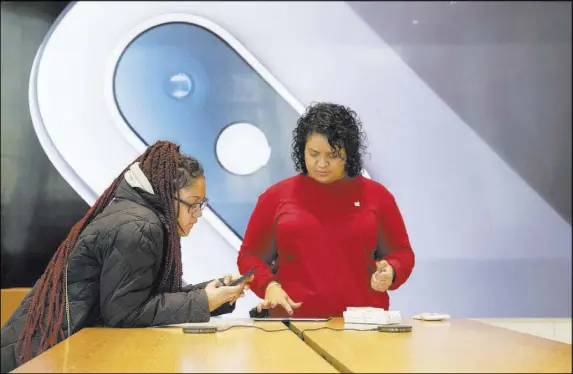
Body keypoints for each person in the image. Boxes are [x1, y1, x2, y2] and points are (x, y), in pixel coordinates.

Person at [1, 141, 251, 372]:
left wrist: (211, 295)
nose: (198, 214)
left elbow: (138, 299)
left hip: (56, 350)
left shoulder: (140, 217)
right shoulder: (139, 226)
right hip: (42, 357)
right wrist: (203, 301)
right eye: (193, 204)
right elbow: (125, 313)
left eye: (202, 204)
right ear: (166, 194)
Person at [237, 102, 415, 318]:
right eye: (313, 154)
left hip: (362, 324)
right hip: (293, 325)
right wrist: (269, 286)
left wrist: (392, 270)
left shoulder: (377, 196)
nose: (321, 164)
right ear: (301, 149)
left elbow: (402, 253)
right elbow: (250, 256)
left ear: (348, 153)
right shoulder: (275, 197)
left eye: (333, 155)